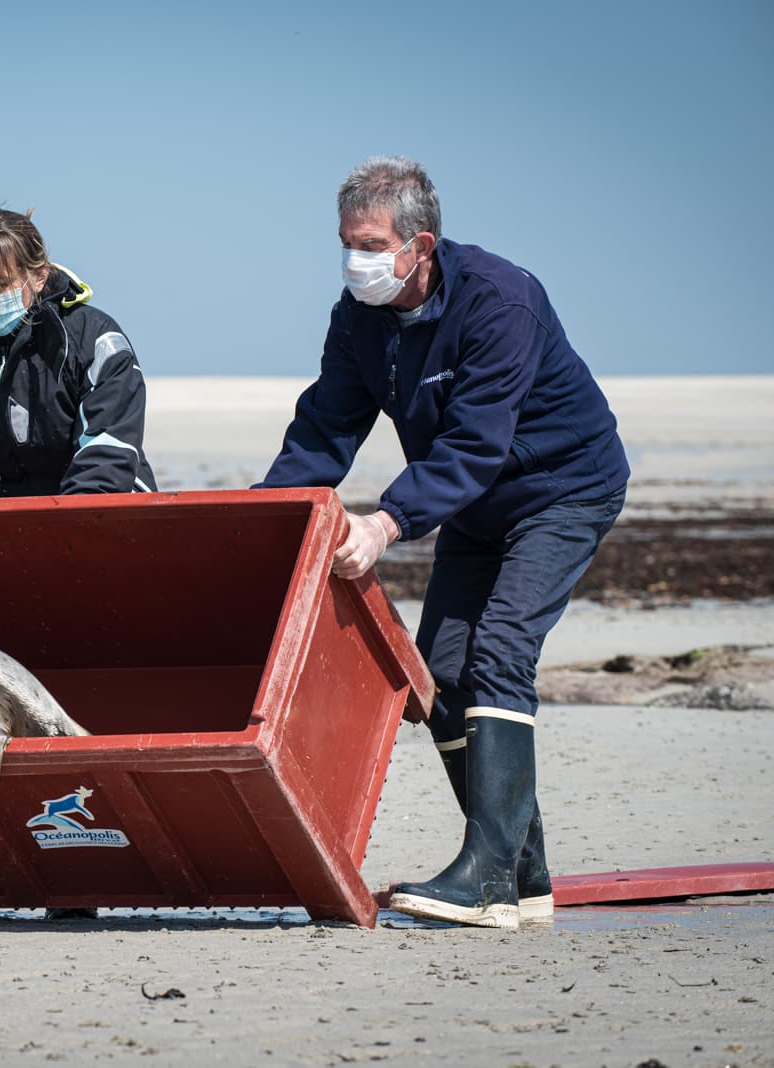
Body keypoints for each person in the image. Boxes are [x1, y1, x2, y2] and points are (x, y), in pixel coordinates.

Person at [256, 156, 628, 929]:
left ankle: (486, 875)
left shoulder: (501, 301)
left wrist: (385, 523)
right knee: (444, 675)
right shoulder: (359, 317)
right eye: (345, 243)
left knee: (498, 654)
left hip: (563, 489)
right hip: (479, 509)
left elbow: (473, 446)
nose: (354, 260)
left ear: (419, 245)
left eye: (369, 243)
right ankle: (524, 875)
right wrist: (269, 519)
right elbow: (326, 426)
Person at [0, 208, 157, 501]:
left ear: (39, 276)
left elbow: (107, 456)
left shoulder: (96, 342)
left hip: (104, 516)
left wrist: (66, 532)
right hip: (2, 523)